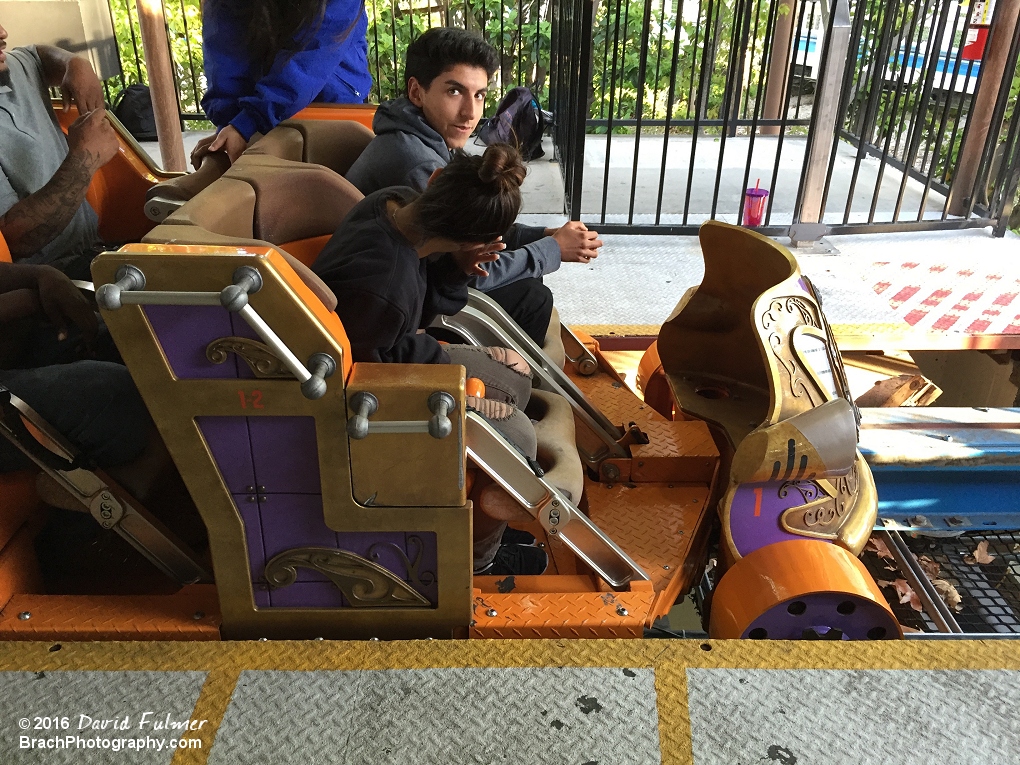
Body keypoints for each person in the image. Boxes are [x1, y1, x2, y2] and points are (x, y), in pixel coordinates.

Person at [313, 144, 548, 576]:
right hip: (372, 386)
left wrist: (458, 268)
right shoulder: (383, 283)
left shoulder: (394, 199)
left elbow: (415, 313)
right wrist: (453, 372)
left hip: (391, 347)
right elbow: (383, 362)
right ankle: (479, 558)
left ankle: (490, 518)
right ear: (470, 239)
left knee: (514, 383)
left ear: (436, 179)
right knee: (516, 436)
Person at [344, 27, 603, 346]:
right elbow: (467, 267)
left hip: (414, 280)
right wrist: (551, 250)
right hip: (395, 309)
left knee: (528, 277)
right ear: (416, 92)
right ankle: (515, 391)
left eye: (479, 95)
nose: (471, 113)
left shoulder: (423, 138)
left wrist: (539, 236)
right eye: (455, 92)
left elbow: (470, 221)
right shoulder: (418, 164)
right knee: (531, 299)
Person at [0, 22, 119, 281]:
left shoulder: (10, 66)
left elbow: (36, 56)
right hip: (49, 281)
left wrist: (74, 63)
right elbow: (14, 240)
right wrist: (84, 159)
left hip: (98, 252)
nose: (2, 33)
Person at [192, 0, 372, 168]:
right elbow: (225, 52)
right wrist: (231, 125)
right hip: (261, 108)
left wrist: (247, 122)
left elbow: (311, 59)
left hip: (331, 107)